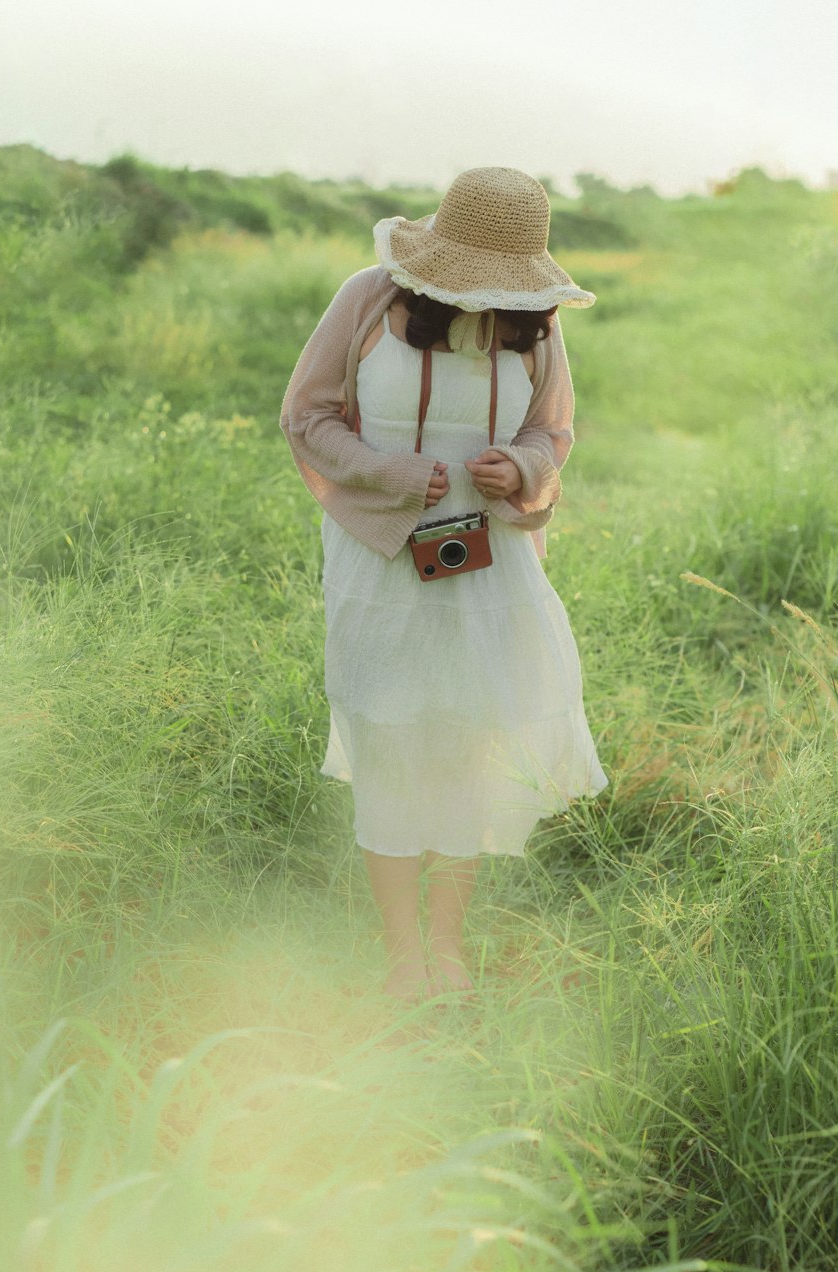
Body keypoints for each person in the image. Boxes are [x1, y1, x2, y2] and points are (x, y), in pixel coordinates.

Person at [280, 167, 608, 1000]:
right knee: (389, 739)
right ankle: (401, 956)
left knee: (467, 740)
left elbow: (554, 428)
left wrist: (521, 466)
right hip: (382, 559)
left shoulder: (534, 325)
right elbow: (306, 415)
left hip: (486, 563)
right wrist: (386, 471)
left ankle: (449, 948)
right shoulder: (368, 298)